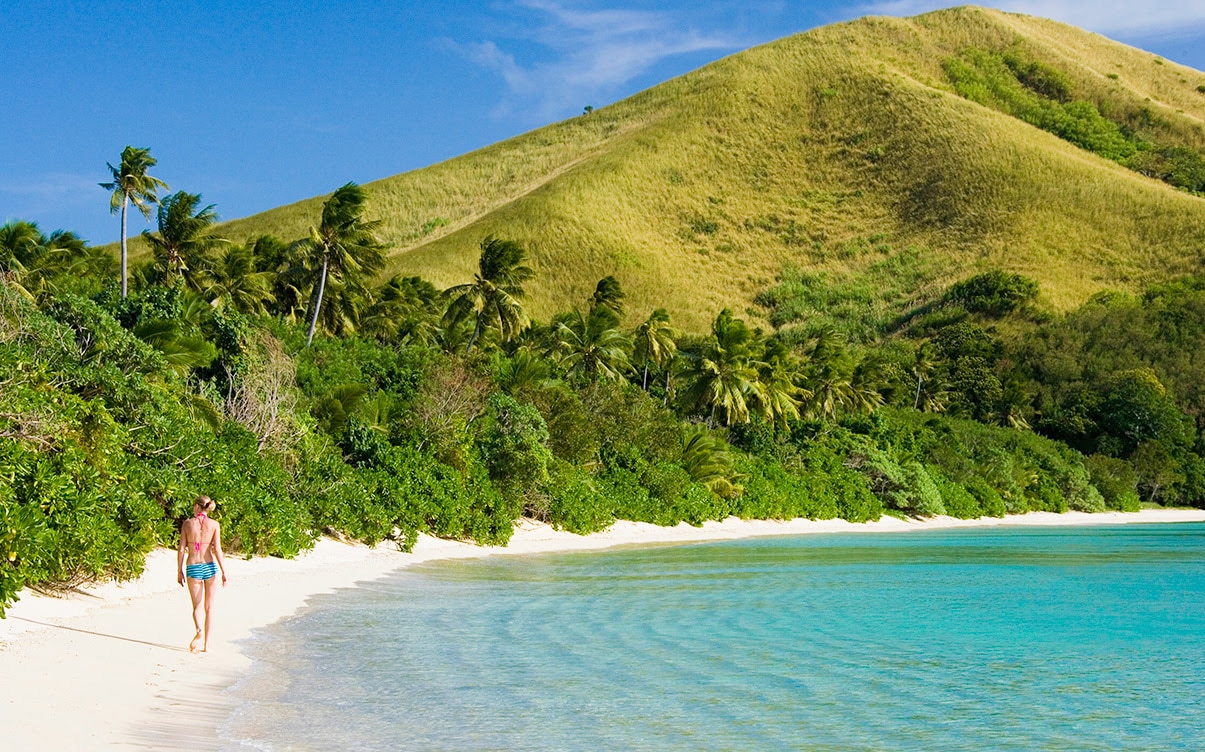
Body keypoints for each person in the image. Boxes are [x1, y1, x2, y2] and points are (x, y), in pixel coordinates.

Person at [177, 495, 228, 652]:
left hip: (193, 567)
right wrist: (224, 571)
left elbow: (181, 549)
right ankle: (207, 645)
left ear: (198, 507)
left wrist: (179, 570)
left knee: (197, 606)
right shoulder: (214, 525)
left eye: (194, 506)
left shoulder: (187, 524)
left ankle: (199, 630)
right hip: (210, 567)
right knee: (209, 607)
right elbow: (217, 549)